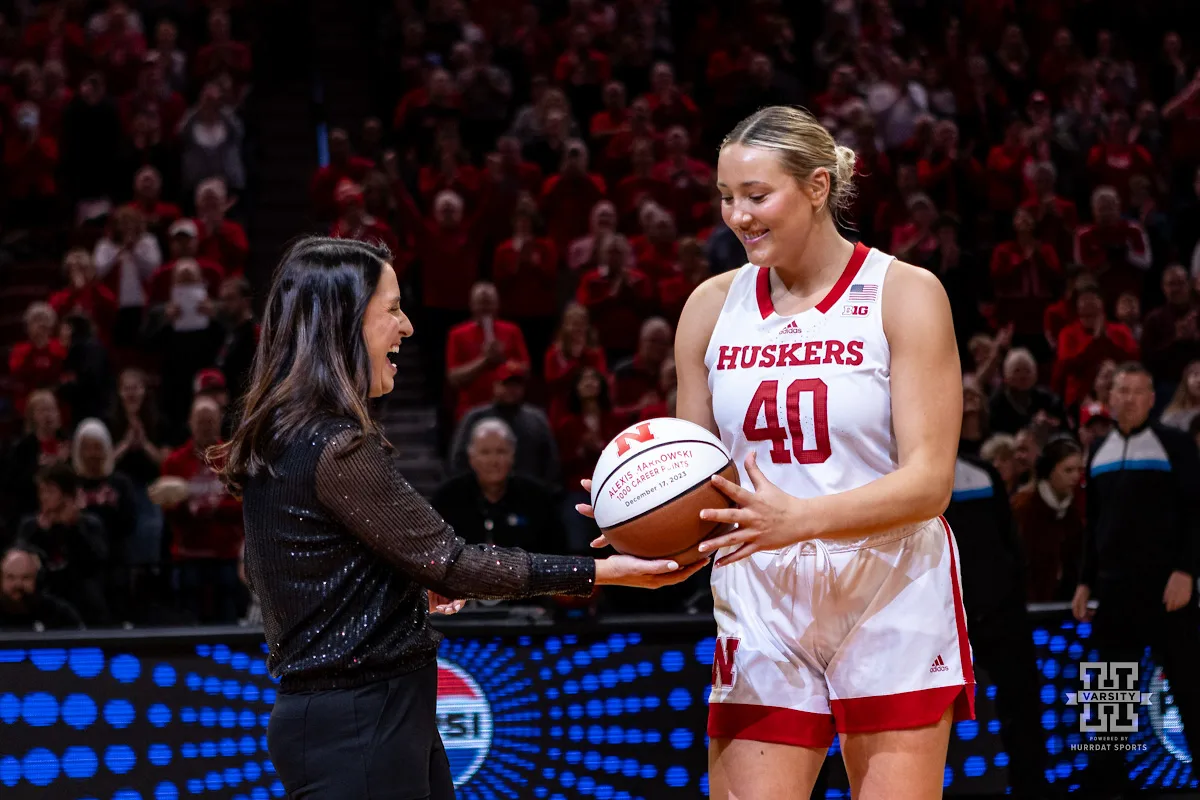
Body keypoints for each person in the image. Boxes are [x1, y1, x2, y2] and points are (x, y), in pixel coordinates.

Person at [217, 237, 702, 799]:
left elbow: (309, 570)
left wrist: (393, 593)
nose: (407, 327)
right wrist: (604, 572)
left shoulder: (286, 433)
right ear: (344, 320)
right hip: (360, 718)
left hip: (362, 714)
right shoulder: (336, 445)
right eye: (392, 308)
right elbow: (451, 562)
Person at [579, 106, 970, 799]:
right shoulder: (708, 307)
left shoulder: (904, 293)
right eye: (727, 197)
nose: (738, 215)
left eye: (757, 195)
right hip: (761, 594)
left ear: (818, 187)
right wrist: (650, 526)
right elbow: (700, 476)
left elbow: (929, 482)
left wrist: (802, 518)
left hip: (888, 586)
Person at [1073, 362, 1200, 794]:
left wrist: (1187, 570)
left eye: (1137, 391)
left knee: (1191, 692)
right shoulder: (1100, 450)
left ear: (1152, 398)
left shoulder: (1176, 446)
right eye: (1121, 390)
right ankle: (1109, 787)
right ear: (1111, 398)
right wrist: (1085, 581)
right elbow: (1094, 526)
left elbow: (1195, 514)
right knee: (1110, 702)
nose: (1127, 398)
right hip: (1114, 593)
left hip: (1169, 591)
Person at [431, 418, 558, 552]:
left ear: (512, 455)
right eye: (485, 452)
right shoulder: (447, 498)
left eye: (501, 452)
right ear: (471, 457)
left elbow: (555, 551)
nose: (493, 461)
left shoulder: (537, 498)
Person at [0, 547, 84, 631]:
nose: (18, 584)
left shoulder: (60, 614)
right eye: (10, 577)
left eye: (26, 578)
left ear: (38, 580)